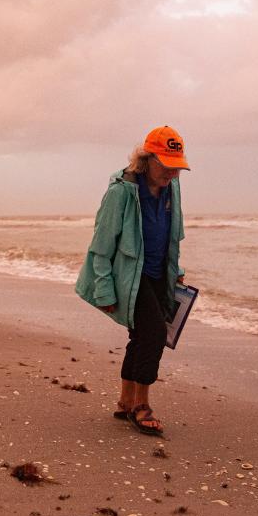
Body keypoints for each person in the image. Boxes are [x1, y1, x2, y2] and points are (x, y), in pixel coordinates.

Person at [75, 126, 189, 436]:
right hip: (128, 278)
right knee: (153, 333)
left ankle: (126, 401)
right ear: (147, 159)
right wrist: (104, 289)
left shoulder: (171, 188)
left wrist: (173, 270)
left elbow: (171, 234)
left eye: (176, 168)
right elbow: (100, 247)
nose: (170, 174)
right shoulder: (121, 191)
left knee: (140, 335)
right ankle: (142, 405)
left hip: (157, 274)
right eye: (165, 166)